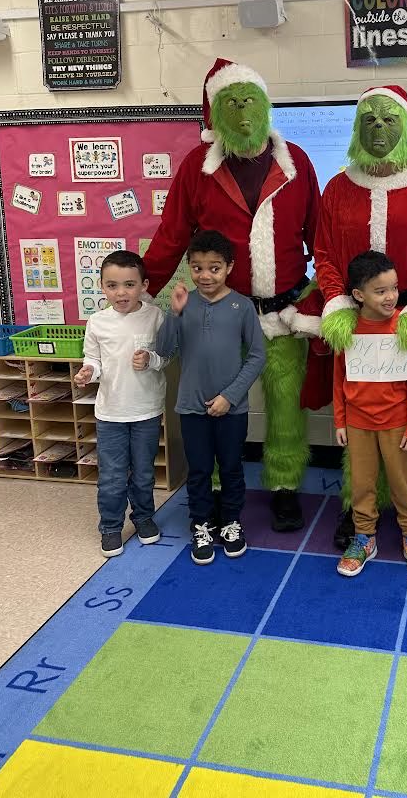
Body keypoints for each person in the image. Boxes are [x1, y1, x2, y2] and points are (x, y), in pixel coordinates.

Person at [142, 58, 326, 535]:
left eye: (250, 101)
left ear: (265, 105)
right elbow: (171, 234)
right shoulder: (197, 168)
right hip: (219, 317)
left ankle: (285, 488)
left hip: (282, 314)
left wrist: (329, 297)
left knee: (285, 408)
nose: (243, 113)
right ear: (214, 113)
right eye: (232, 103)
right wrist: (138, 293)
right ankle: (222, 487)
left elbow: (321, 238)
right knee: (217, 403)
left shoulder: (296, 162)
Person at [315, 84, 407, 562]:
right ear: (358, 127)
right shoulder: (337, 187)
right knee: (359, 424)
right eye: (369, 120)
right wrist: (337, 305)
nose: (378, 129)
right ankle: (363, 513)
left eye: (388, 119)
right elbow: (326, 254)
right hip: (356, 324)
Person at [155, 230, 266, 565]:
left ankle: (231, 521)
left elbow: (257, 356)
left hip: (231, 410)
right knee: (199, 469)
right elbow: (163, 351)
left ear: (229, 267)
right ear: (189, 267)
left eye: (214, 268)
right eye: (198, 268)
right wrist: (173, 315)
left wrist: (229, 397)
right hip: (191, 407)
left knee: (231, 467)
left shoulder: (241, 306)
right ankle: (201, 523)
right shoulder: (183, 303)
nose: (205, 276)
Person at [333, 251, 407, 581]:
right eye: (381, 291)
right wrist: (339, 420)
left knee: (403, 484)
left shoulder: (405, 326)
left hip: (397, 423)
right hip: (358, 423)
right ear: (359, 295)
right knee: (361, 484)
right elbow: (339, 377)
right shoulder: (346, 329)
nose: (391, 296)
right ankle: (364, 537)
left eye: (394, 288)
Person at [74, 250, 167, 558]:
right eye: (112, 285)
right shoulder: (97, 322)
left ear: (144, 285)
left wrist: (151, 359)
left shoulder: (155, 316)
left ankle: (142, 517)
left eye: (129, 284)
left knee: (143, 472)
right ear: (102, 287)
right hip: (110, 411)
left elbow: (167, 355)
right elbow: (94, 360)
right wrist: (89, 371)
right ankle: (111, 527)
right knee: (112, 475)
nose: (121, 292)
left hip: (147, 410)